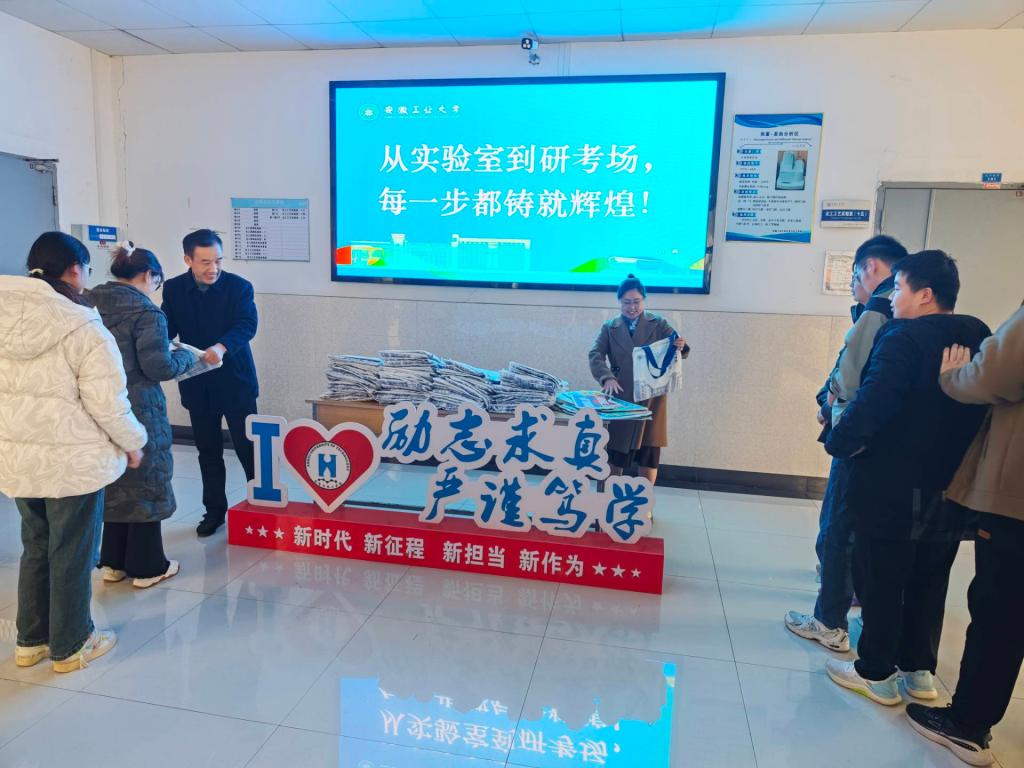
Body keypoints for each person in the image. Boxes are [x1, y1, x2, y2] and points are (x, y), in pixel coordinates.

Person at [823, 250, 991, 706]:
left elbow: (873, 403)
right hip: (952, 485)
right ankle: (919, 671)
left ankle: (875, 672)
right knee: (930, 579)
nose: (893, 298)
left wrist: (838, 441)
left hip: (891, 483)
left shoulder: (903, 337)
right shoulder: (978, 334)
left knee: (882, 577)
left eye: (898, 288)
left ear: (925, 295)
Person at [0, 232, 147, 673]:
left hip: (18, 458)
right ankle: (71, 645)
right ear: (74, 270)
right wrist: (133, 441)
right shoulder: (83, 326)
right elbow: (108, 402)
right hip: (72, 461)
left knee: (36, 544)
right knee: (72, 550)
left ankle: (31, 642)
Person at [905, 302, 1024, 767]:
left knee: (1000, 610)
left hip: (1015, 495)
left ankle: (968, 724)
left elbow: (993, 374)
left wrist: (953, 376)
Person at [786, 235, 907, 652]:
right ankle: (847, 600)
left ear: (871, 267)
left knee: (838, 526)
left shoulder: (880, 307)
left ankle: (829, 622)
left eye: (855, 276)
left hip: (856, 437)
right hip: (887, 443)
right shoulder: (900, 311)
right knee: (855, 527)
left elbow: (850, 377)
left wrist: (829, 404)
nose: (854, 286)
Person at [88, 243, 195, 587]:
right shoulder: (147, 312)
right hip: (139, 407)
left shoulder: (88, 303)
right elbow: (158, 367)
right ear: (149, 275)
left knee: (114, 478)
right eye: (156, 282)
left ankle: (113, 562)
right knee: (147, 479)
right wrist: (186, 357)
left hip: (97, 405)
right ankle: (148, 566)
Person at [161, 229, 258, 537]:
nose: (213, 268)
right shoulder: (174, 289)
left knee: (248, 448)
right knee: (208, 450)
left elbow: (247, 325)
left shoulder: (239, 287)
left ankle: (261, 506)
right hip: (197, 382)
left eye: (218, 260)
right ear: (188, 260)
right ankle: (214, 511)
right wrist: (164, 347)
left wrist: (221, 347)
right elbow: (166, 327)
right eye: (204, 262)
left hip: (235, 380)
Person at [588, 274, 688, 485]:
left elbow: (679, 346)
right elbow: (595, 354)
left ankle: (645, 499)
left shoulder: (659, 323)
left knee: (649, 452)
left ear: (644, 300)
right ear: (619, 302)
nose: (632, 307)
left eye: (636, 302)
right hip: (620, 396)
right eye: (626, 302)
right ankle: (609, 497)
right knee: (615, 450)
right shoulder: (609, 327)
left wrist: (681, 345)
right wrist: (607, 378)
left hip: (652, 398)